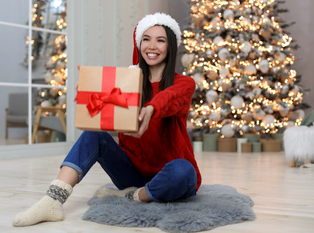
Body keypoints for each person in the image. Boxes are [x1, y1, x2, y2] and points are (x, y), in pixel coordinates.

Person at [12, 12, 202, 227]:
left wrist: (150, 109)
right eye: (146, 39)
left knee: (183, 171)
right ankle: (52, 200)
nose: (152, 46)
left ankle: (132, 196)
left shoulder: (184, 84)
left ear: (171, 46)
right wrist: (91, 90)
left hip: (170, 174)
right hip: (131, 173)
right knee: (94, 134)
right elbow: (104, 106)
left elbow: (169, 98)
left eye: (161, 40)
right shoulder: (127, 81)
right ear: (139, 44)